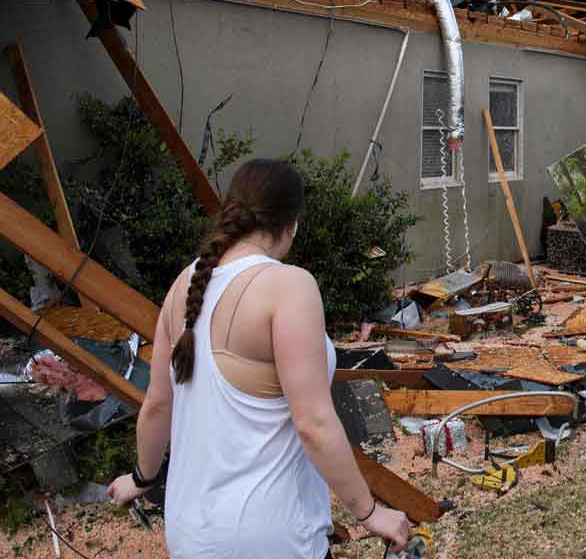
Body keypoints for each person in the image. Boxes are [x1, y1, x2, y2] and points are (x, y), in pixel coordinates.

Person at [107, 159, 411, 557]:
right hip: (272, 536)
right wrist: (369, 512)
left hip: (192, 535)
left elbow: (157, 405)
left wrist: (141, 477)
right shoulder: (288, 286)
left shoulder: (184, 283)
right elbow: (314, 423)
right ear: (293, 223)